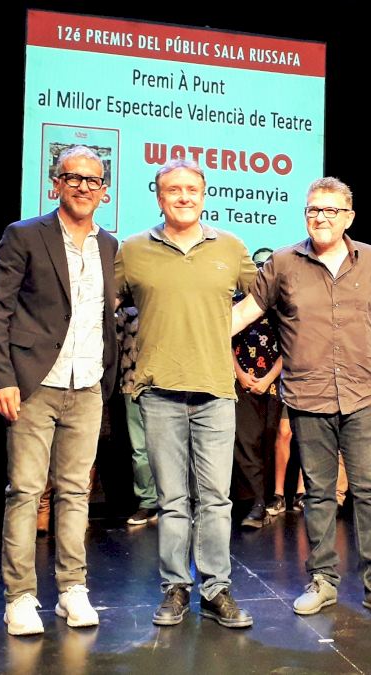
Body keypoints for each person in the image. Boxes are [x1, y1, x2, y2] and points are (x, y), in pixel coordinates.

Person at [233, 177, 371, 620]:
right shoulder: (283, 262)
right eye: (314, 209)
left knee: (369, 492)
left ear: (349, 217)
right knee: (318, 493)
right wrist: (193, 337)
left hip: (363, 394)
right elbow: (246, 311)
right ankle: (323, 581)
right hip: (308, 396)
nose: (321, 217)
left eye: (331, 210)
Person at [116, 159, 257, 629]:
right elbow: (104, 301)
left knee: (216, 499)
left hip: (215, 390)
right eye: (173, 189)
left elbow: (263, 295)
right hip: (159, 392)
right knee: (172, 500)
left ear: (203, 194)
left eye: (191, 189)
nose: (183, 196)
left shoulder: (230, 247)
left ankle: (216, 590)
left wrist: (226, 326)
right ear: (159, 198)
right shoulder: (133, 249)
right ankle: (176, 588)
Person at [0, 145, 119, 636]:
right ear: (56, 184)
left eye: (92, 180)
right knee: (25, 491)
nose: (83, 186)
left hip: (87, 383)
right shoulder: (25, 234)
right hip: (33, 383)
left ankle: (71, 589)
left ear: (104, 192)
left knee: (76, 492)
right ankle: (20, 596)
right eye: (72, 177)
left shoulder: (110, 245)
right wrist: (2, 377)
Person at [232, 247, 284, 529]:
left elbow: (291, 347)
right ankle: (255, 502)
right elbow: (224, 340)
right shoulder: (236, 303)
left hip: (274, 384)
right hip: (241, 382)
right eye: (258, 266)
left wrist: (268, 379)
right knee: (245, 441)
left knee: (268, 440)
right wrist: (240, 374)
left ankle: (265, 500)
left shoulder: (282, 306)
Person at [116, 305, 159, 527]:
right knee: (140, 448)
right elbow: (114, 338)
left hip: (163, 384)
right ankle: (148, 501)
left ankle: (177, 501)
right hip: (132, 383)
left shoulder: (164, 303)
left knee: (172, 445)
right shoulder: (128, 309)